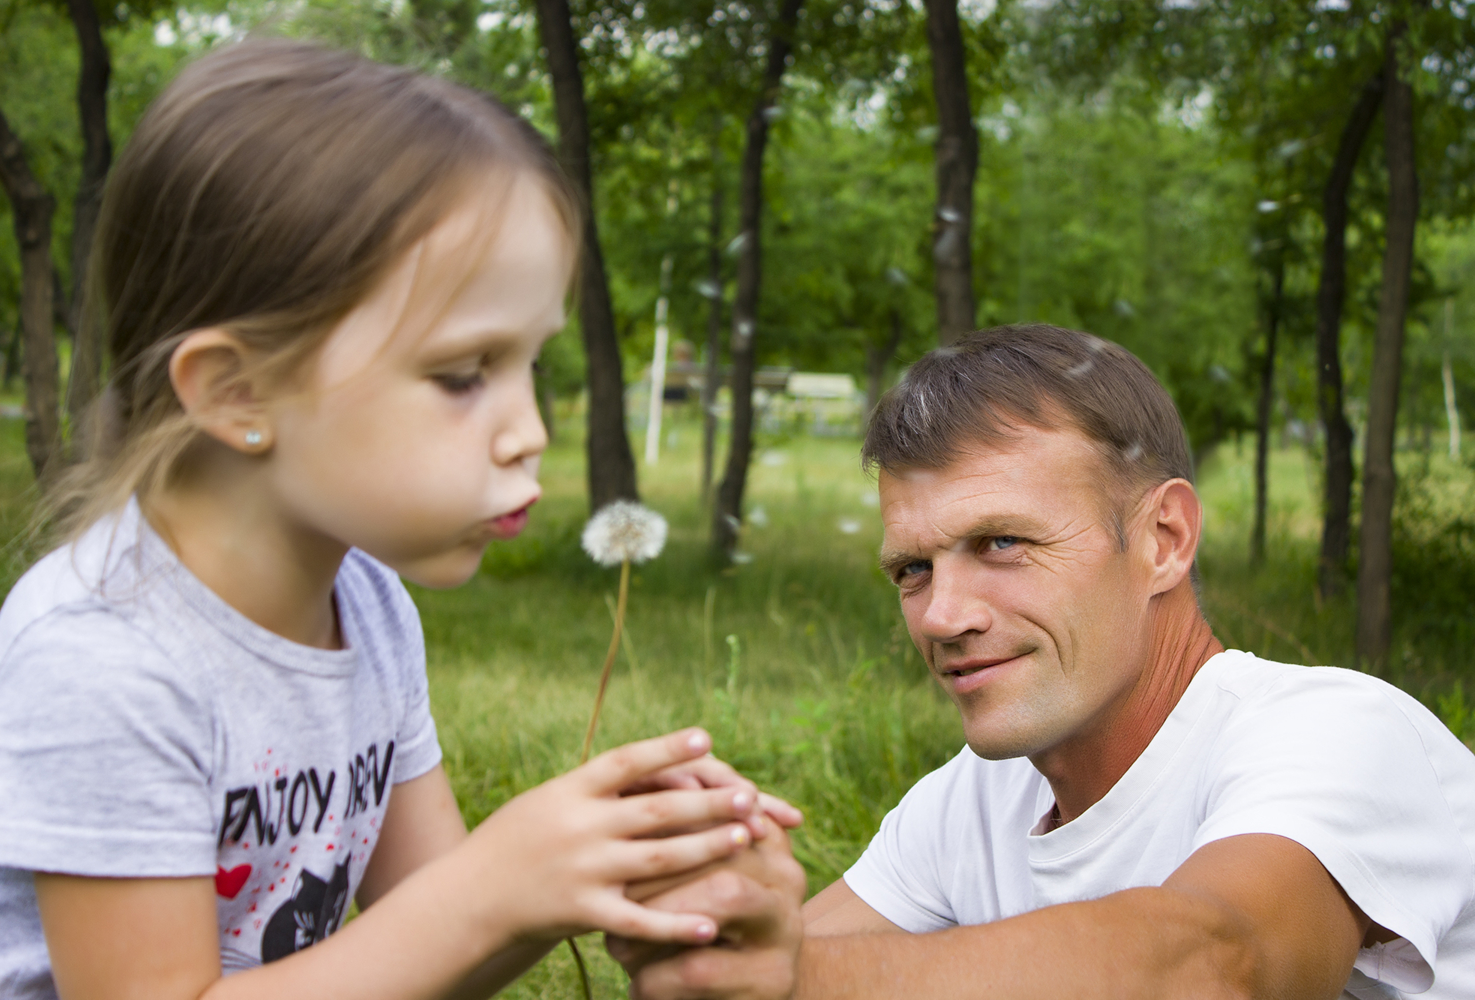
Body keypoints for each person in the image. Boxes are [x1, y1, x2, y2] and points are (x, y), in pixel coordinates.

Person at [0, 40, 802, 999]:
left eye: (531, 363)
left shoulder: (365, 604)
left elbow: (430, 948)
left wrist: (591, 863)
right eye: (463, 374)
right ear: (237, 390)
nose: (529, 433)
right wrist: (494, 887)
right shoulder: (105, 661)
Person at [611, 324, 1475, 1000]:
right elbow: (782, 963)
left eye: (1002, 542)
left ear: (1163, 540)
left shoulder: (1335, 732)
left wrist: (787, 978)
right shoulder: (971, 803)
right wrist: (706, 923)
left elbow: (1219, 966)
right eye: (913, 568)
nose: (942, 616)